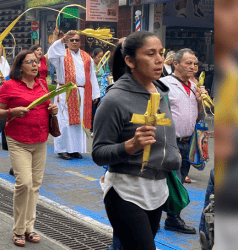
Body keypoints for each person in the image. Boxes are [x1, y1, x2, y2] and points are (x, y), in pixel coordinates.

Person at [92, 31, 181, 250]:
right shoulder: (114, 100)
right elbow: (98, 153)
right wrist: (131, 145)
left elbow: (167, 133)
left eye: (160, 53)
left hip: (158, 190)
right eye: (150, 54)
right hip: (126, 191)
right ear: (130, 61)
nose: (160, 59)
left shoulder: (160, 92)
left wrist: (173, 154)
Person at [0, 50, 58, 247]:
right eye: (30, 62)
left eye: (37, 62)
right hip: (18, 140)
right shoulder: (9, 86)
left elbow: (47, 107)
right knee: (24, 184)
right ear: (20, 66)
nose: (35, 65)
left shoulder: (43, 84)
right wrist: (12, 112)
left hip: (40, 139)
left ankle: (30, 228)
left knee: (35, 185)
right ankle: (19, 230)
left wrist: (52, 110)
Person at [160, 48, 208, 235]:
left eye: (195, 63)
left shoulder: (194, 86)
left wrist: (199, 100)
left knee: (178, 181)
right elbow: (159, 115)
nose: (193, 66)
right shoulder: (164, 84)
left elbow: (199, 117)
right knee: (169, 181)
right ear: (176, 64)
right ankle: (163, 217)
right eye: (188, 63)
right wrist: (168, 142)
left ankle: (172, 219)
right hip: (171, 141)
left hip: (189, 143)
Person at [48, 30, 100, 160]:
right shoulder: (61, 54)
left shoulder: (86, 56)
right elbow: (51, 53)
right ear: (67, 42)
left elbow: (92, 76)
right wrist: (62, 39)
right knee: (65, 121)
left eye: (77, 40)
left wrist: (95, 94)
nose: (74, 42)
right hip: (66, 91)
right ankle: (62, 149)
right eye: (72, 40)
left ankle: (75, 149)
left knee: (79, 122)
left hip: (82, 93)